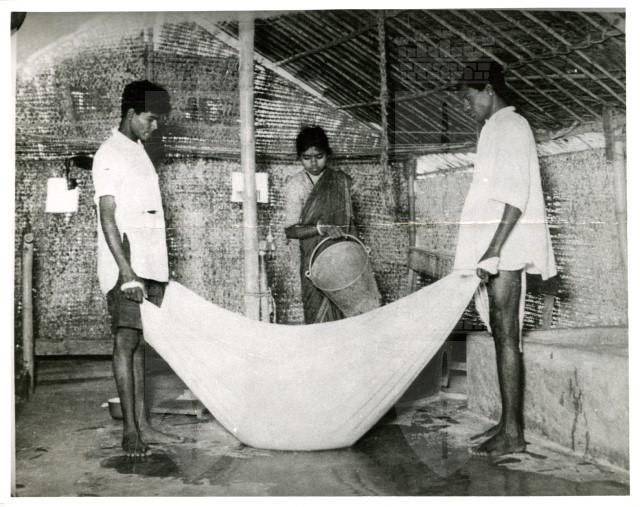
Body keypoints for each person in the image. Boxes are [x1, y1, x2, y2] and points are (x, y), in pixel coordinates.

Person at [454, 61, 557, 456]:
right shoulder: (493, 128)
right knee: (500, 330)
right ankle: (505, 423)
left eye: (469, 97)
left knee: (507, 333)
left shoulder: (511, 126)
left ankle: (513, 432)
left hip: (507, 249)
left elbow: (515, 198)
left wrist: (494, 248)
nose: (466, 105)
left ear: (488, 90)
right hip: (499, 249)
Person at [92, 80, 182, 459]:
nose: (155, 126)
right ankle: (130, 431)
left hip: (149, 260)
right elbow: (107, 217)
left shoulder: (139, 150)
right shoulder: (109, 153)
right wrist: (126, 272)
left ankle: (144, 423)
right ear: (131, 114)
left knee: (141, 341)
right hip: (127, 262)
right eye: (150, 118)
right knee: (126, 341)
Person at [283, 126, 357, 324]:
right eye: (307, 158)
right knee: (316, 311)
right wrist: (319, 228)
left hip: (341, 257)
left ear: (328, 154)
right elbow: (290, 230)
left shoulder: (341, 181)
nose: (314, 163)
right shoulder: (296, 184)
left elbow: (350, 224)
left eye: (319, 156)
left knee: (345, 310)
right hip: (313, 260)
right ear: (299, 158)